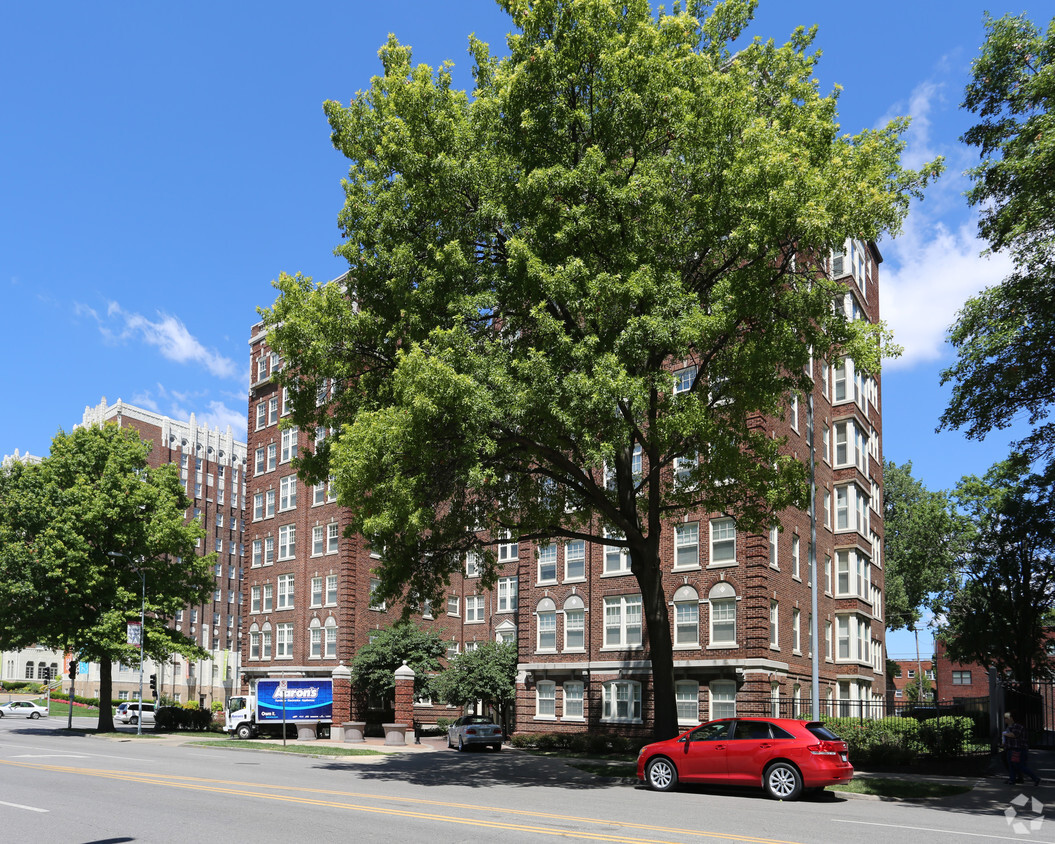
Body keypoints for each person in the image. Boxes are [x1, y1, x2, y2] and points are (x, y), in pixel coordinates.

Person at [1002, 712, 1041, 787]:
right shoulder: (1011, 726)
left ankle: (1035, 778)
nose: (1006, 719)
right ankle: (1012, 780)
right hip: (1011, 749)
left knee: (1019, 765)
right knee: (1012, 766)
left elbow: (1014, 735)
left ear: (1012, 718)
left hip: (1017, 749)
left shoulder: (1018, 726)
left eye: (1008, 717)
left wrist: (1004, 734)